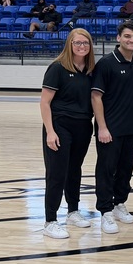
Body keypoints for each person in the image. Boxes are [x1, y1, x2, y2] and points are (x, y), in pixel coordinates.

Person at [91, 21, 133, 235]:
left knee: (126, 169)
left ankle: (119, 204)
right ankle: (105, 211)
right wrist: (102, 128)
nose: (132, 40)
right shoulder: (106, 63)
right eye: (127, 36)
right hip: (110, 128)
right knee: (106, 170)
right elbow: (96, 96)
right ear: (118, 38)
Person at [39, 29, 95, 239]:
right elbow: (45, 102)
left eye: (86, 43)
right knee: (57, 173)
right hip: (60, 126)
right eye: (77, 43)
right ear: (69, 44)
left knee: (74, 170)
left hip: (83, 125)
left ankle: (73, 211)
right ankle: (50, 220)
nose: (82, 46)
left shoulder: (90, 70)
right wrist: (50, 132)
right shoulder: (57, 68)